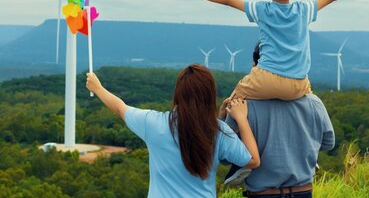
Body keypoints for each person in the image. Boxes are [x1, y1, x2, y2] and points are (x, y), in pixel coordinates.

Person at [174, 0, 369, 101]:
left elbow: (228, 0)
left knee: (231, 103)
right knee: (312, 109)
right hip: (299, 84)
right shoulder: (304, 10)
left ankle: (222, 138)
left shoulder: (262, 10)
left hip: (266, 79)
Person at [86, 64, 260, 198]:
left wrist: (97, 88)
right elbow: (252, 160)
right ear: (209, 96)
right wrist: (241, 119)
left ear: (178, 93)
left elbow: (120, 108)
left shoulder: (153, 124)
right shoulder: (218, 131)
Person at [224, 42, 335, 197]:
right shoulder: (314, 102)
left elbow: (225, 155)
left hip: (263, 194)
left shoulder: (240, 106)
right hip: (303, 192)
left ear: (255, 66)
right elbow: (328, 143)